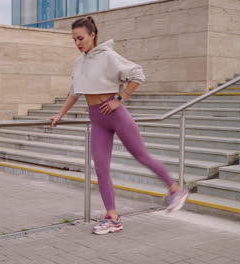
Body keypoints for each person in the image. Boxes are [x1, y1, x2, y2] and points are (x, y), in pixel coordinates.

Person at [48, 16, 189, 235]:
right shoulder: (79, 62)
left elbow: (138, 75)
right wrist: (59, 114)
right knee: (101, 168)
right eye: (74, 39)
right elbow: (74, 92)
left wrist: (120, 99)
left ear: (92, 35)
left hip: (116, 115)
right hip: (97, 119)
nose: (77, 43)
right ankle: (113, 219)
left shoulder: (108, 56)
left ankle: (175, 189)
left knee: (142, 156)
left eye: (81, 38)